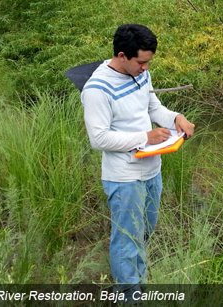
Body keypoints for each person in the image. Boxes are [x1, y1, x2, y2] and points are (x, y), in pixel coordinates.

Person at [80, 24, 195, 293]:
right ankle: (130, 296)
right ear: (122, 55)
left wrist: (176, 118)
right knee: (127, 240)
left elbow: (153, 107)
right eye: (141, 62)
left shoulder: (141, 74)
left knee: (144, 233)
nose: (145, 68)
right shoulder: (97, 89)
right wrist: (144, 137)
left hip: (152, 169)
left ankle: (138, 283)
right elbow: (98, 139)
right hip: (124, 177)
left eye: (148, 62)